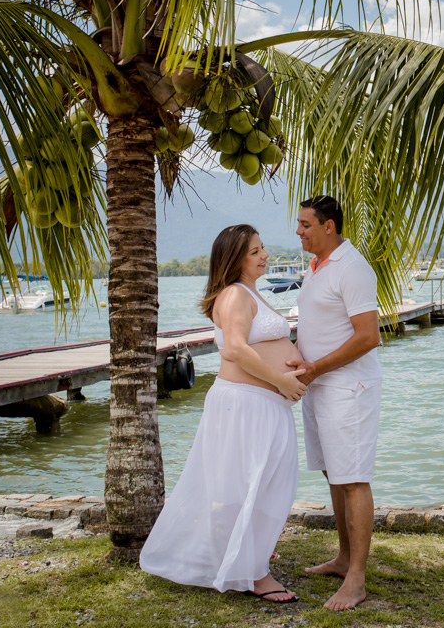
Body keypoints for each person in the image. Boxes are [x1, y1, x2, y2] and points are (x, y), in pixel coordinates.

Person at [140, 224, 308, 603]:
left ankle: (248, 558)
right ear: (234, 259)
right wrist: (282, 381)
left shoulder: (251, 293)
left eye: (262, 248)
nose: (264, 255)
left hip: (262, 405)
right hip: (246, 404)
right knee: (252, 487)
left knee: (268, 485)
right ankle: (255, 575)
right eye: (255, 251)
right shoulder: (234, 295)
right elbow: (234, 349)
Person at [291, 195, 382, 612]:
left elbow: (368, 337)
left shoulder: (353, 267)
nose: (299, 232)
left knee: (353, 477)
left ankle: (357, 581)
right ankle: (344, 559)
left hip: (348, 388)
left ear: (329, 226)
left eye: (306, 225)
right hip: (319, 386)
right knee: (334, 473)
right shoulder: (314, 268)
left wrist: (317, 367)